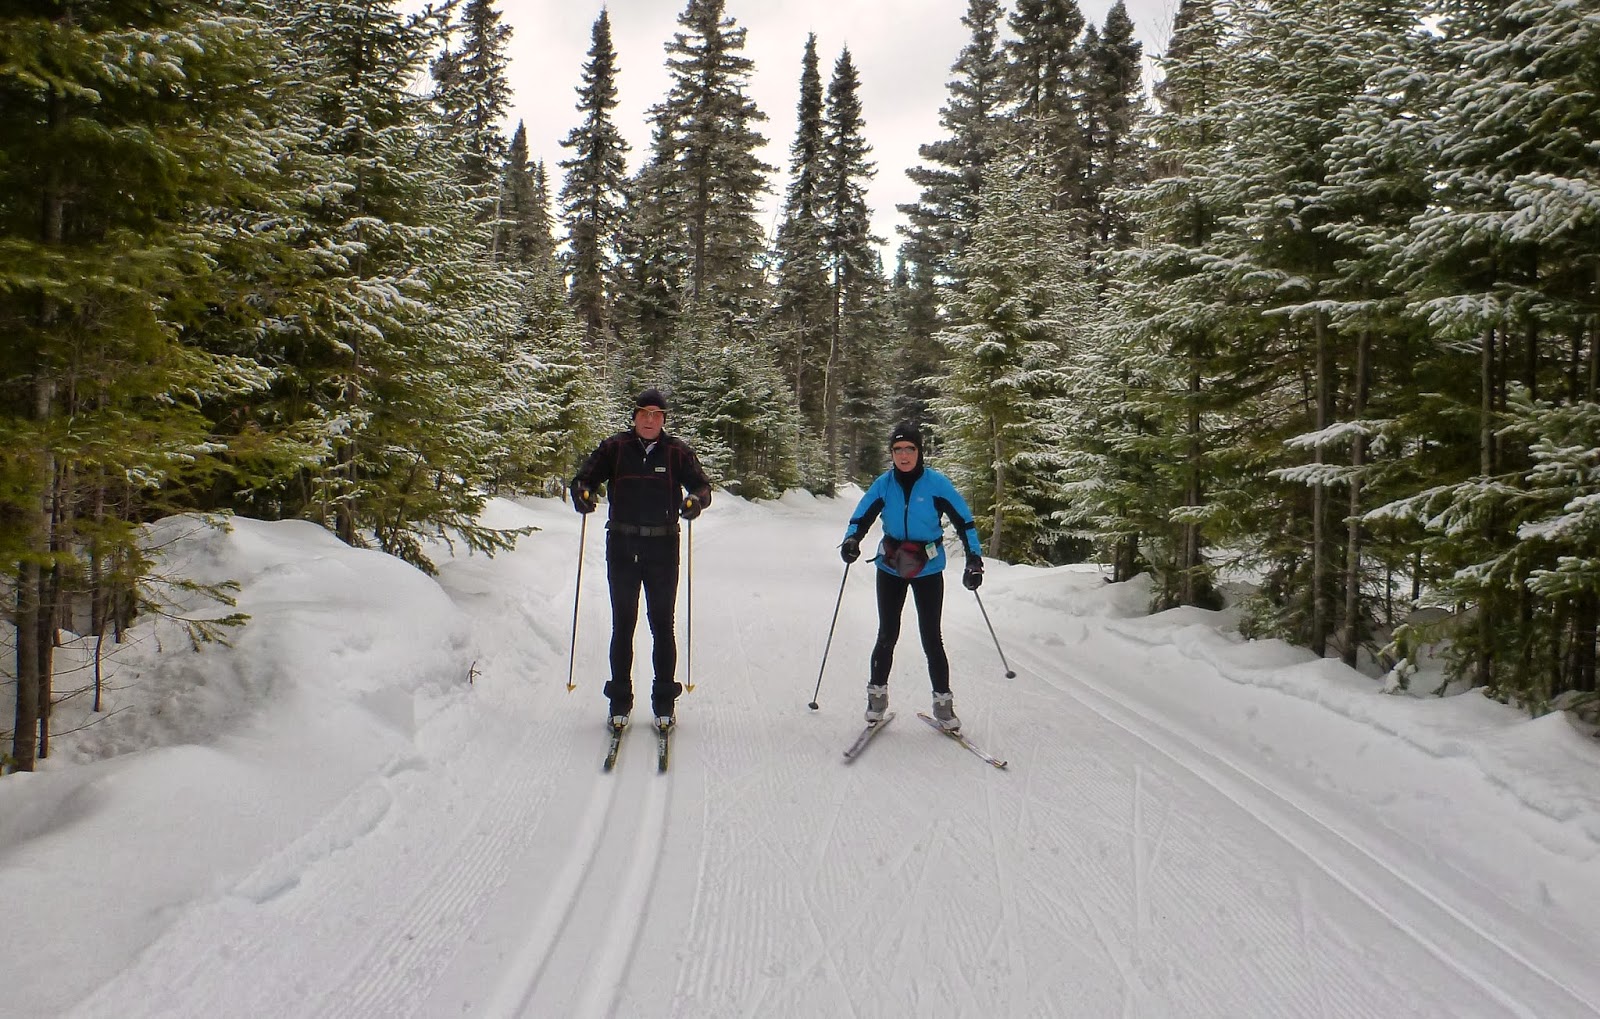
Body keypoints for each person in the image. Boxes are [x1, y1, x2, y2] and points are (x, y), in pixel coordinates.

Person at [570, 388, 712, 733]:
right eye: (644, 413)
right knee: (623, 624)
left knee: (663, 625)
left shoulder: (677, 451)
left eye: (656, 414)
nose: (650, 419)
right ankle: (619, 701)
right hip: (622, 544)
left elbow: (703, 487)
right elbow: (584, 479)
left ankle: (664, 703)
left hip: (663, 547)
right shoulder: (614, 448)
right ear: (633, 417)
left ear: (664, 420)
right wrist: (583, 494)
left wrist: (695, 501)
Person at [839, 421, 984, 732]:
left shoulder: (937, 484)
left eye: (910, 449)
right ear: (891, 453)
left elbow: (965, 521)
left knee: (932, 637)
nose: (903, 456)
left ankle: (943, 706)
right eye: (897, 450)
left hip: (927, 568)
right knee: (887, 633)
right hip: (890, 566)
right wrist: (852, 540)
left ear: (920, 452)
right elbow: (861, 517)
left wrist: (974, 560)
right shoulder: (884, 484)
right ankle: (876, 700)